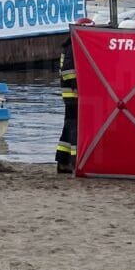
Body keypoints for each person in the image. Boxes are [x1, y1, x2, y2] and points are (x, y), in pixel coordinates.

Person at [56, 18, 93, 173]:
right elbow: (68, 70)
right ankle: (74, 160)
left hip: (70, 94)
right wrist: (78, 88)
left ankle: (63, 161)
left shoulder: (71, 43)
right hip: (73, 95)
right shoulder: (73, 45)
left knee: (69, 126)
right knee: (75, 127)